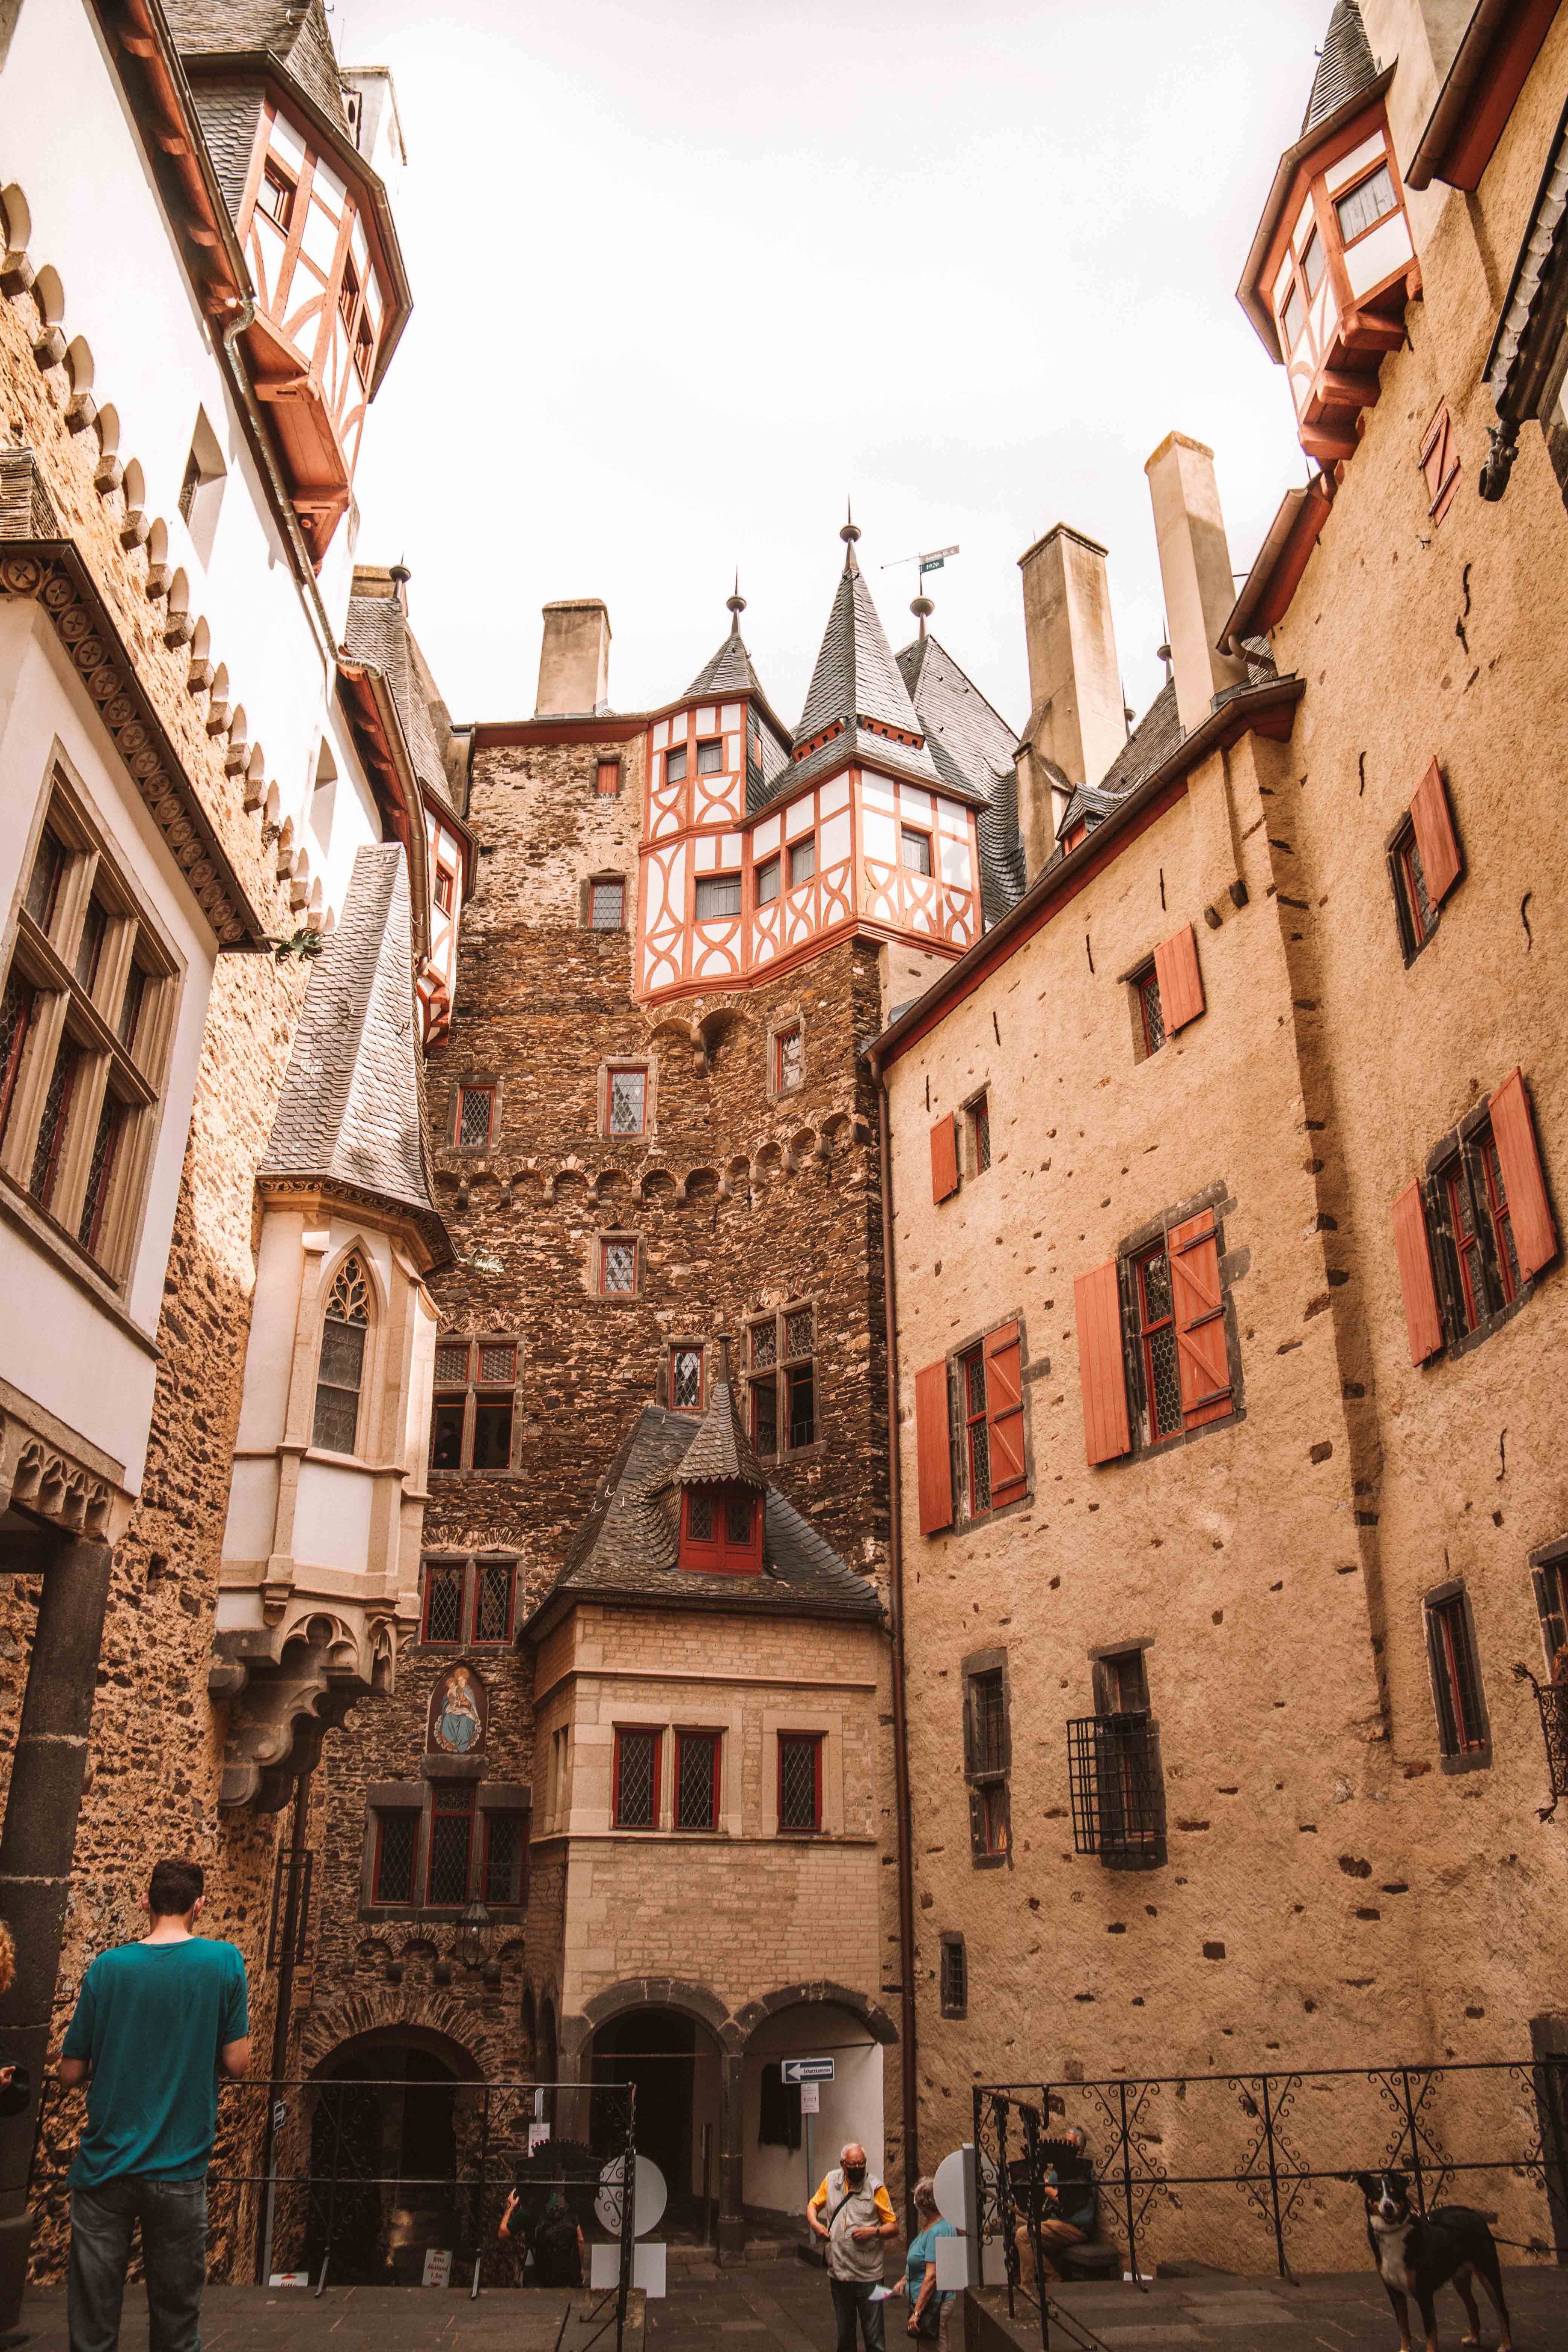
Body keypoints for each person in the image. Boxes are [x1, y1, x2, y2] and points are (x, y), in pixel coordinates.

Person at [58, 1858, 250, 2352]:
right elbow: (238, 2063)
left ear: (146, 1901)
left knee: (93, 2323)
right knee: (176, 2324)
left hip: (105, 2166)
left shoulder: (107, 1968)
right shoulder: (224, 1962)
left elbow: (71, 2071)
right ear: (199, 1905)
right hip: (179, 2166)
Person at [808, 2140, 899, 2352]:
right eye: (853, 2165)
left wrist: (873, 2232)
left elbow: (894, 2228)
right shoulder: (831, 2181)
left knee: (875, 2337)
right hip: (840, 2273)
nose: (858, 2168)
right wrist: (815, 2225)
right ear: (843, 2164)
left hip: (870, 2276)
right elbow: (813, 2206)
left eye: (862, 2164)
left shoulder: (877, 2189)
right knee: (845, 2336)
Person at [1013, 2127, 1097, 2283]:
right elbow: (1047, 2183)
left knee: (1024, 2235)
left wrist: (1045, 2188)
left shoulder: (1083, 2171)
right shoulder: (1062, 2169)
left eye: (1069, 2145)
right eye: (1065, 2144)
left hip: (1074, 2227)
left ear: (1079, 2150)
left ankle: (1030, 2287)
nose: (1065, 2147)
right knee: (1028, 2236)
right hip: (1059, 2223)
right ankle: (1053, 2279)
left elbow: (1068, 2200)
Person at [891, 2177, 956, 2344]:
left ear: (925, 2204)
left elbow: (932, 2277)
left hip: (934, 2305)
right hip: (932, 2303)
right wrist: (905, 2280)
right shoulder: (937, 2224)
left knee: (937, 2347)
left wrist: (917, 2314)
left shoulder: (937, 2230)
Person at [501, 2186, 584, 2286]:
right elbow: (581, 2240)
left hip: (544, 2271)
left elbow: (503, 2233)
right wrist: (581, 2268)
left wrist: (510, 2208)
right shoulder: (563, 2202)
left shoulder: (527, 2209)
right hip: (568, 2270)